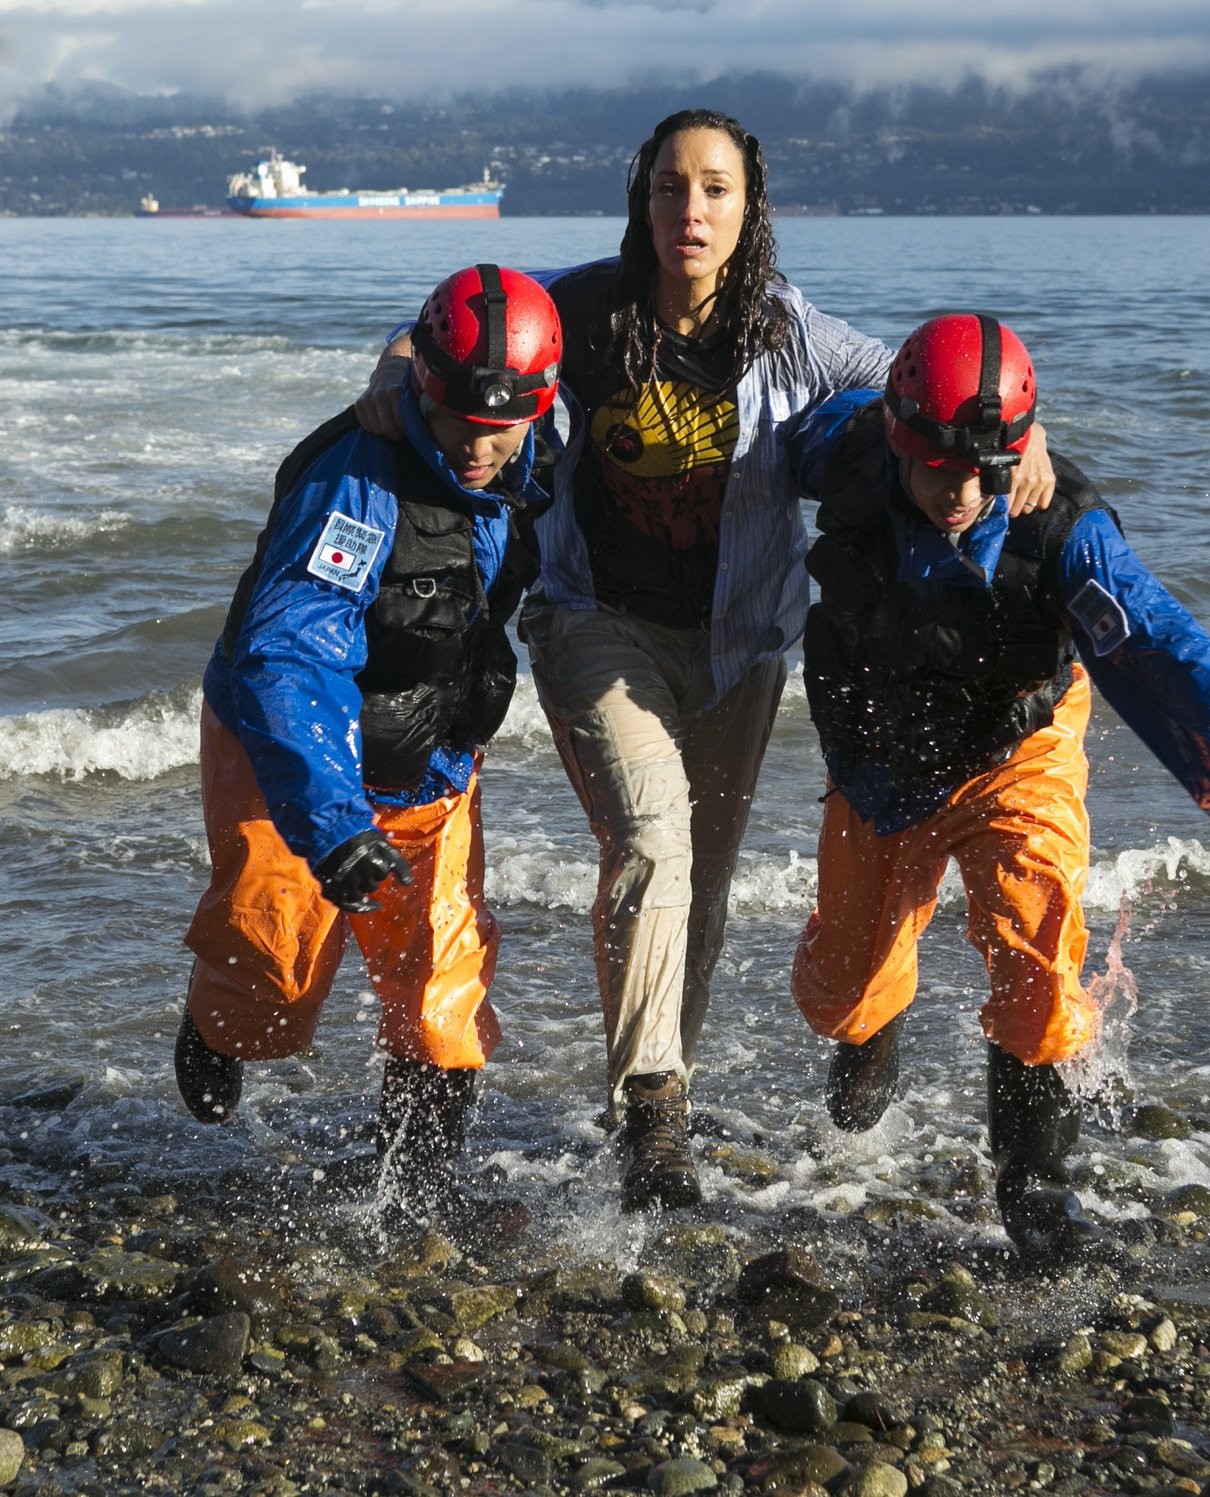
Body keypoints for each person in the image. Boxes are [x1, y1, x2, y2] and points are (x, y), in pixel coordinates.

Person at [354, 109, 1055, 1213]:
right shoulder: (583, 306)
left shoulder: (788, 331)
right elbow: (443, 327)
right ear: (642, 199)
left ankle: (650, 1095)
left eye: (716, 190)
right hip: (595, 624)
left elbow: (934, 384)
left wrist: (1032, 434)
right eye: (672, 188)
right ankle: (653, 1118)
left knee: (705, 889)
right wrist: (394, 372)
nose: (692, 211)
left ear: (748, 208)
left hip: (739, 647)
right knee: (650, 842)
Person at [788, 313, 1210, 1261]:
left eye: (984, 468)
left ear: (1016, 446)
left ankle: (1035, 1184)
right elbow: (757, 432)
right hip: (881, 765)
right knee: (842, 988)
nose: (960, 492)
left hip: (1016, 744)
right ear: (896, 436)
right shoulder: (845, 446)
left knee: (1036, 945)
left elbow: (1183, 667)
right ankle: (872, 1027)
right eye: (937, 468)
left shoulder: (1066, 534)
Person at [175, 263, 560, 1235]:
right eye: (462, 418)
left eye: (503, 424)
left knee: (441, 980)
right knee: (275, 983)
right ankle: (217, 1022)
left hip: (433, 756)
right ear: (425, 387)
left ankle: (419, 1197)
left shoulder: (530, 446)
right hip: (288, 750)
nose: (480, 445)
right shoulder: (355, 484)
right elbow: (286, 661)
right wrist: (336, 825)